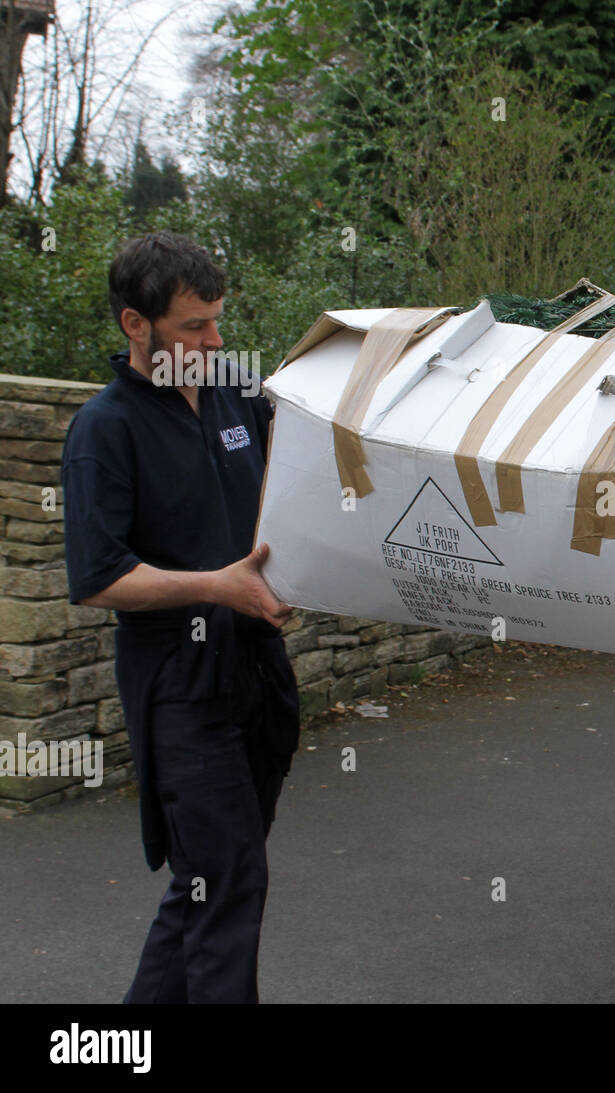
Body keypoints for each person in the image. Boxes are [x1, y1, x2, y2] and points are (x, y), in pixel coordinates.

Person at [60, 231, 300, 1004]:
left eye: (219, 320)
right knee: (229, 881)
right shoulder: (105, 430)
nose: (216, 340)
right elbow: (99, 578)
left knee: (209, 880)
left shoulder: (234, 388)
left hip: (258, 671)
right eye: (195, 326)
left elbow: (296, 474)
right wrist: (215, 587)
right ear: (137, 324)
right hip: (180, 686)